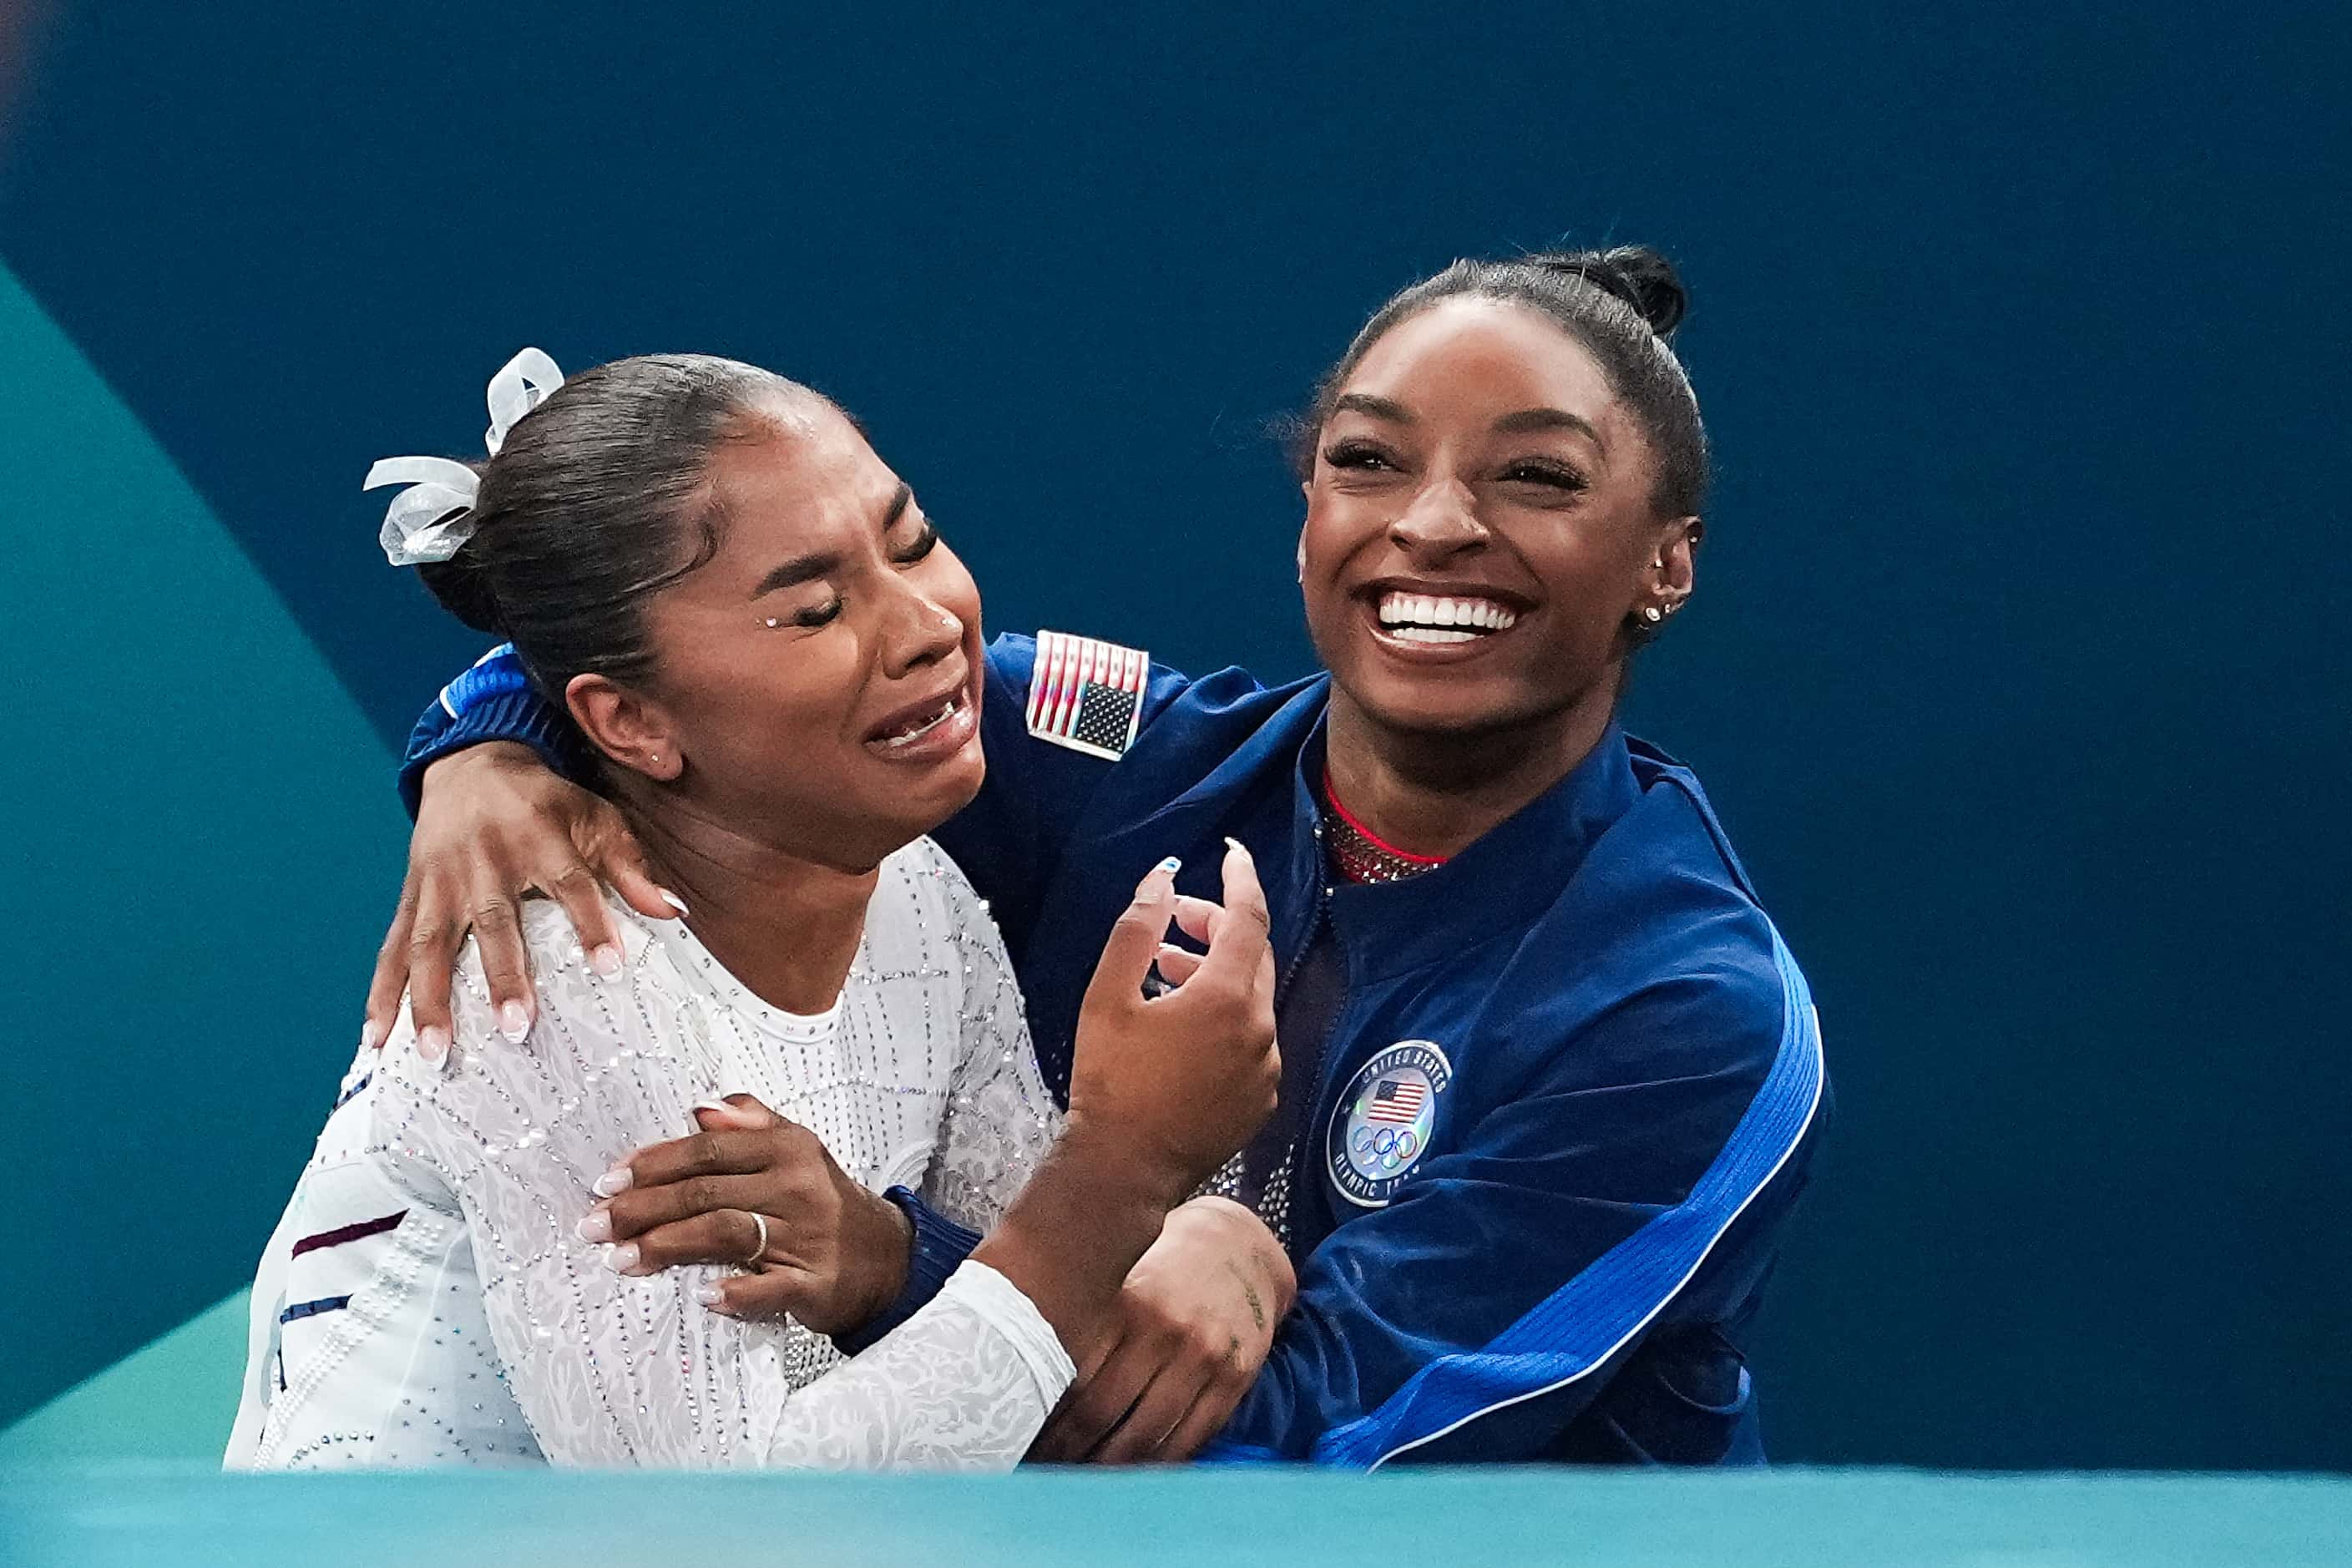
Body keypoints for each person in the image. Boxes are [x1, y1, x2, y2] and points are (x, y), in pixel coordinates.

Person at [376, 245, 1828, 1467]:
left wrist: (898, 1259)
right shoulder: (1108, 762)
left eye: (1538, 479)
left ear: (1666, 560)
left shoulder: (1684, 1006)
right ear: (1312, 508)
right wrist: (482, 751)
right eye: (1369, 461)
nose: (1436, 524)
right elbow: (682, 655)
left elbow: (1295, 1446)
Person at [229, 351, 1280, 1469]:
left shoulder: (925, 897)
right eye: (821, 605)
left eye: (915, 541)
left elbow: (1036, 1321)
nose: (926, 621)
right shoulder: (560, 987)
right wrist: (1121, 1168)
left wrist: (1217, 1231)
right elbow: (730, 1526)